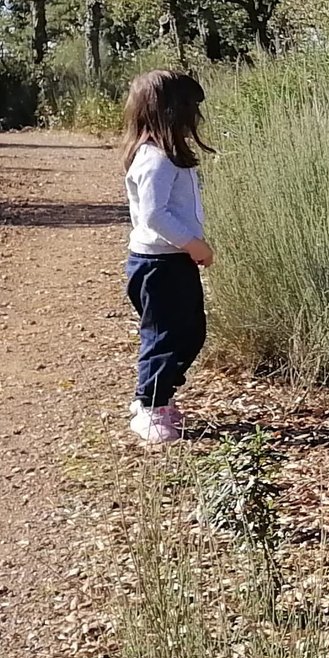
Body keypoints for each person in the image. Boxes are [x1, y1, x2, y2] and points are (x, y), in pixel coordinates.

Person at [121, 69, 216, 445]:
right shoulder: (154, 158)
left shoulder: (167, 156)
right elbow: (154, 214)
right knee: (163, 336)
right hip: (158, 265)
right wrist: (193, 243)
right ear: (170, 110)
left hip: (172, 261)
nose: (196, 114)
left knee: (190, 332)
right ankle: (150, 405)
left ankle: (158, 395)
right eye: (190, 106)